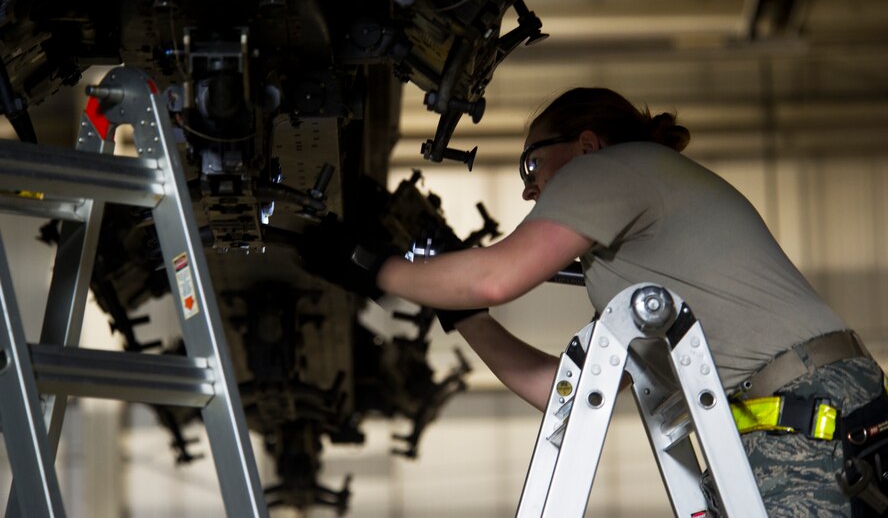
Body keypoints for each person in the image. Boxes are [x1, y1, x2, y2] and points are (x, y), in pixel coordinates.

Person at [307, 87, 887, 516]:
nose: (529, 187)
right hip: (799, 415)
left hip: (807, 414)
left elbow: (496, 277)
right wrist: (462, 315)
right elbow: (557, 391)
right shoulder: (634, 274)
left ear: (586, 146)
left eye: (531, 164)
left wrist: (375, 268)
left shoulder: (615, 168)